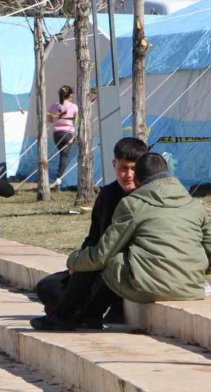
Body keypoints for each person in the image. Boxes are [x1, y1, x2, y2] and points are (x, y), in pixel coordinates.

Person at [31, 152, 211, 331]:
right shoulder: (195, 205)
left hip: (148, 287)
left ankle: (65, 317)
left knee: (105, 258)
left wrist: (73, 261)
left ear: (140, 179)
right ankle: (89, 316)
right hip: (190, 288)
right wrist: (194, 269)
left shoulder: (133, 204)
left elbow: (102, 254)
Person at [31, 137, 148, 331]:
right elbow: (94, 237)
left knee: (98, 272)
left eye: (134, 169)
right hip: (98, 263)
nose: (128, 175)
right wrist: (78, 264)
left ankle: (75, 314)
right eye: (123, 168)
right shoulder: (108, 195)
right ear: (114, 165)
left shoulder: (146, 196)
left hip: (123, 267)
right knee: (48, 287)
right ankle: (80, 311)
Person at [47, 85, 78, 189]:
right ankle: (59, 179)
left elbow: (50, 120)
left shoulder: (53, 106)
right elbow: (77, 122)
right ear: (70, 95)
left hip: (56, 134)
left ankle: (59, 180)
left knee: (62, 155)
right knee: (64, 156)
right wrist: (74, 136)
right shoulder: (73, 106)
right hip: (68, 133)